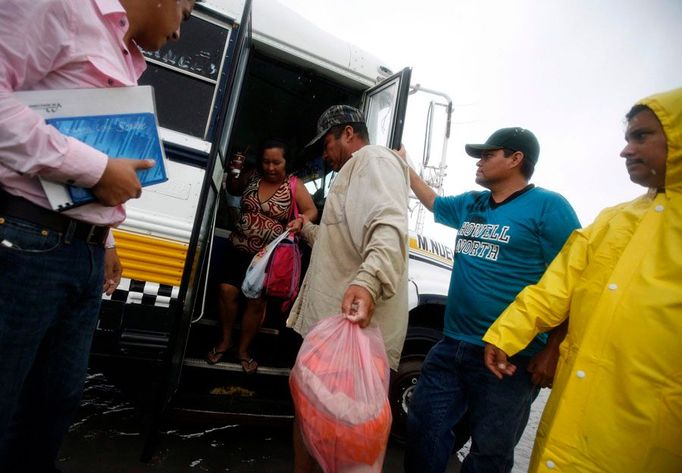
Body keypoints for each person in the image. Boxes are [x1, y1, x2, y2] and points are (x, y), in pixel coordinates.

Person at [0, 1, 198, 471]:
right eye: (186, 15)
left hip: (80, 256)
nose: (179, 33)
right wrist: (95, 169)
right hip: (25, 243)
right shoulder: (60, 5)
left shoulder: (124, 52)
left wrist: (105, 240)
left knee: (52, 407)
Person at [483, 89, 682, 472]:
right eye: (626, 138)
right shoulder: (612, 221)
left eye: (641, 136)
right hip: (572, 419)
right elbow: (553, 290)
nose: (625, 150)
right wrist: (504, 335)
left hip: (651, 438)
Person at [402, 127, 581, 473]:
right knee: (424, 426)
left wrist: (553, 348)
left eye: (488, 154)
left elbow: (575, 281)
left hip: (511, 359)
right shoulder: (472, 203)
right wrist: (405, 164)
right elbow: (432, 201)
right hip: (451, 345)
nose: (479, 162)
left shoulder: (549, 207)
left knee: (490, 452)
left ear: (516, 159)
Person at [286, 105, 410, 472]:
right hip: (332, 335)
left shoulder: (373, 160)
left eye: (327, 143)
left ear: (349, 134)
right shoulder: (350, 175)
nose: (324, 154)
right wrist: (307, 230)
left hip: (353, 336)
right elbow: (342, 241)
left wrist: (368, 282)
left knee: (342, 440)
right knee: (313, 424)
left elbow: (387, 226)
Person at [206, 140, 317, 373]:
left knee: (255, 303)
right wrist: (234, 170)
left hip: (266, 257)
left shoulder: (294, 185)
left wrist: (301, 220)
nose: (270, 167)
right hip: (237, 246)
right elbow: (234, 189)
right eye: (266, 161)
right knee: (227, 291)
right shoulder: (252, 175)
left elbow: (311, 210)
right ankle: (225, 341)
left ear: (286, 162)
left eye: (276, 162)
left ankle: (243, 350)